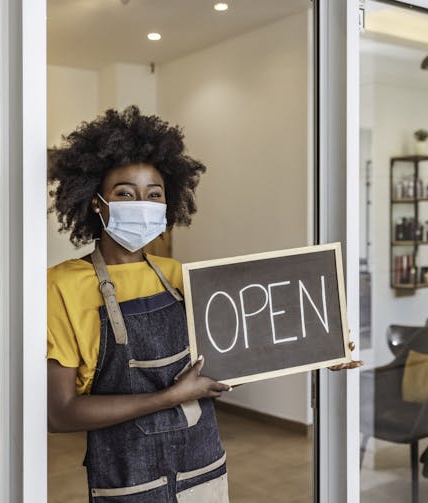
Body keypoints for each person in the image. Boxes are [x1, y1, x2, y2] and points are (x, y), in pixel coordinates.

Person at [46, 106, 361, 503]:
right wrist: (167, 398)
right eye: (125, 193)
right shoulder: (63, 284)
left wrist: (319, 345)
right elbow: (60, 413)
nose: (141, 203)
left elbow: (222, 366)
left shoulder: (178, 275)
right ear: (96, 203)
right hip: (129, 481)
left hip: (204, 470)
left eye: (154, 194)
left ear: (167, 204)